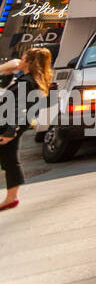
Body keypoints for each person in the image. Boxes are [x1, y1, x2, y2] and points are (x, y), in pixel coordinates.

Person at [0, 46, 53, 211]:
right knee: (9, 160)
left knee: (10, 160)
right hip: (13, 126)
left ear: (29, 62)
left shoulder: (27, 82)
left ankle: (11, 197)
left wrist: (10, 132)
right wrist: (7, 74)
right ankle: (11, 198)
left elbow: (18, 109)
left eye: (23, 58)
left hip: (8, 126)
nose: (19, 61)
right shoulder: (31, 80)